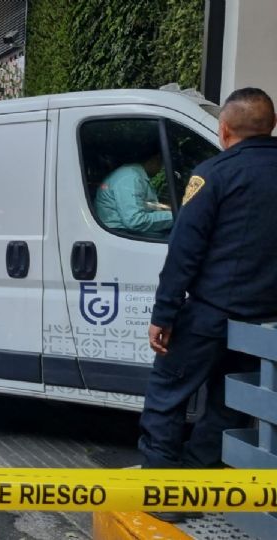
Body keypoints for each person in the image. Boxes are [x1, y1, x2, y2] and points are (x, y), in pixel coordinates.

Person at [140, 88, 277, 523]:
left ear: (224, 129)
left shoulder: (214, 174)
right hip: (264, 326)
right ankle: (201, 483)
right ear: (270, 126)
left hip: (209, 316)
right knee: (229, 403)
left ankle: (166, 498)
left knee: (167, 398)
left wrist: (164, 314)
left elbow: (185, 251)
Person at [95, 148, 173, 238]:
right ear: (155, 159)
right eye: (161, 164)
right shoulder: (131, 177)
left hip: (124, 232)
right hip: (121, 234)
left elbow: (144, 204)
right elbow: (135, 221)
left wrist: (166, 208)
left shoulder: (133, 174)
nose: (160, 169)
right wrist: (174, 216)